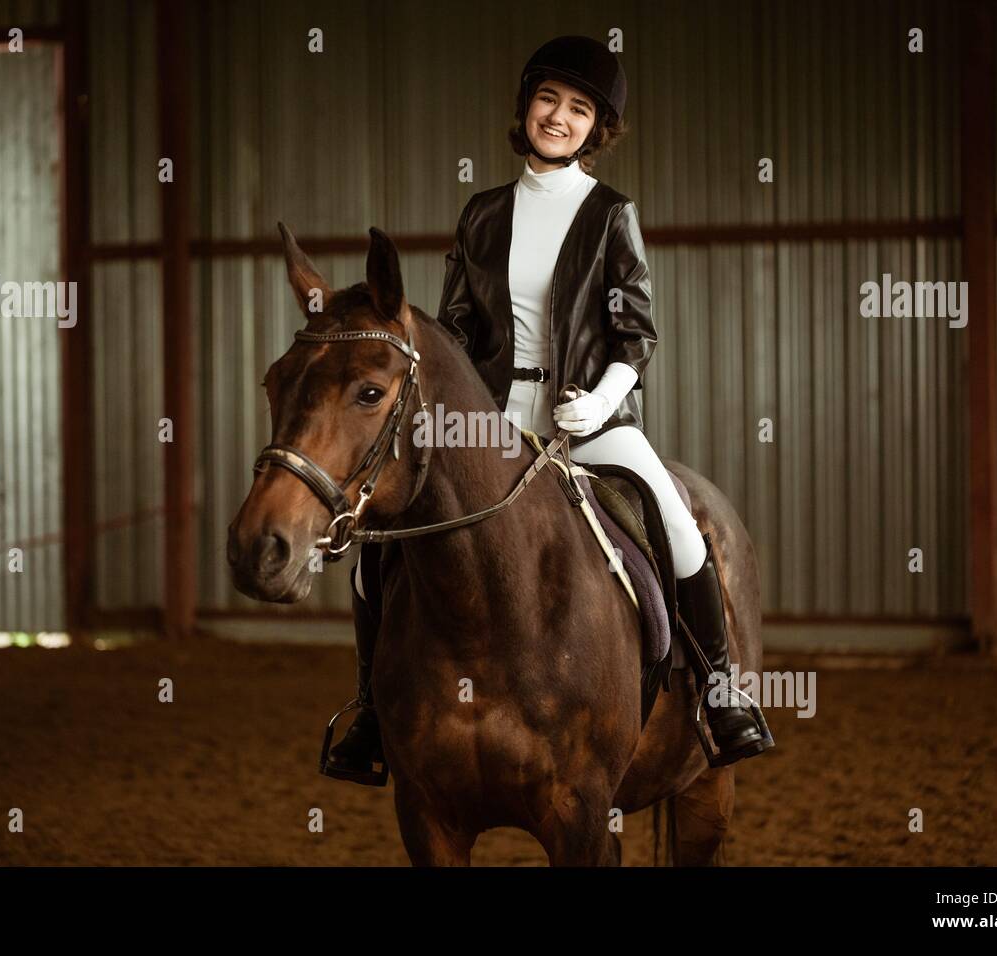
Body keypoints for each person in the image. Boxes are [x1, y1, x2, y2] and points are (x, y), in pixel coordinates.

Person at [323, 35, 773, 785]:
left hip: (589, 420)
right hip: (490, 422)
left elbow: (638, 333)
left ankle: (722, 694)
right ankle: (371, 708)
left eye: (578, 108)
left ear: (596, 128)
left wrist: (599, 400)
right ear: (526, 106)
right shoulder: (483, 214)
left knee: (671, 515)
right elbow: (455, 332)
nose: (558, 117)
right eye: (548, 100)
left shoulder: (610, 216)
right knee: (380, 546)